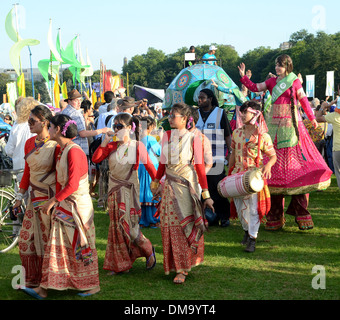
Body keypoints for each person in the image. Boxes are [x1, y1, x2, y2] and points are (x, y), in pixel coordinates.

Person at [238, 54, 332, 231]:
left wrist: (311, 118)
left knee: (296, 171)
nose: (277, 68)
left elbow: (303, 101)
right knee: (272, 173)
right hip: (273, 130)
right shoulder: (272, 82)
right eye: (276, 65)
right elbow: (255, 87)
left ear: (288, 66)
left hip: (291, 131)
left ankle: (301, 213)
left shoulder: (294, 81)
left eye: (280, 65)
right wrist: (244, 77)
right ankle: (274, 216)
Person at [21, 114, 100, 299]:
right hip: (65, 204)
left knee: (82, 246)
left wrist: (52, 201)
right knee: (58, 248)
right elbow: (61, 182)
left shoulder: (73, 151)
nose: (48, 130)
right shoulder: (63, 150)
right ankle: (46, 287)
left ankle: (93, 285)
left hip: (77, 206)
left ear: (57, 129)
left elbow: (72, 185)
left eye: (51, 127)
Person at [151, 103, 214, 284]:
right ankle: (173, 264)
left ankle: (183, 269)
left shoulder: (194, 138)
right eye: (170, 115)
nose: (170, 118)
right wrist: (156, 182)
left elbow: (200, 167)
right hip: (169, 186)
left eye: (174, 116)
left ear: (185, 119)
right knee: (168, 226)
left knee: (183, 227)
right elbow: (162, 163)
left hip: (186, 186)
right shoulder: (166, 136)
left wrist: (206, 195)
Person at [92, 113, 157, 274]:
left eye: (119, 126)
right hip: (114, 191)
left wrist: (158, 184)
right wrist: (105, 141)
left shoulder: (137, 145)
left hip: (129, 190)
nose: (116, 129)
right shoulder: (112, 145)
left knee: (130, 228)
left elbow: (149, 166)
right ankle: (120, 264)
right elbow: (96, 158)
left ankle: (148, 249)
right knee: (116, 227)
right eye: (114, 126)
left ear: (129, 128)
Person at [13, 105, 59, 289]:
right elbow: (27, 173)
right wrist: (19, 197)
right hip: (33, 199)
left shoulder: (55, 144)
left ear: (45, 122)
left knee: (49, 242)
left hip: (50, 200)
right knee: (26, 241)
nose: (29, 124)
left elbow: (61, 174)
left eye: (32, 121)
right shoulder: (29, 143)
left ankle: (50, 281)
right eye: (28, 121)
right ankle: (32, 278)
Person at [228, 101, 277, 252]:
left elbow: (273, 156)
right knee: (240, 207)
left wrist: (268, 165)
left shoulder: (263, 135)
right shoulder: (236, 133)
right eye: (241, 112)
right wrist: (228, 173)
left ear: (256, 114)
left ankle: (252, 239)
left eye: (245, 112)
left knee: (254, 209)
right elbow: (232, 155)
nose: (242, 115)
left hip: (255, 176)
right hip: (237, 175)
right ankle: (246, 231)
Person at [196, 88, 232, 227]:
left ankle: (224, 217)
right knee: (204, 188)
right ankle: (210, 217)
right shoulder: (195, 114)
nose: (200, 100)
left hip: (216, 156)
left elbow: (228, 134)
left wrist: (230, 152)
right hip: (199, 158)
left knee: (218, 188)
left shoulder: (220, 113)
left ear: (210, 99)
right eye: (199, 98)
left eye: (203, 97)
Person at [61, 89, 111, 157]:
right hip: (78, 148)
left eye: (80, 100)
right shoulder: (75, 113)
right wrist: (102, 130)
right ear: (69, 101)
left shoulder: (65, 111)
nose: (79, 103)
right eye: (76, 100)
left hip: (68, 147)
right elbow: (82, 133)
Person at [5, 97, 39, 183]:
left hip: (19, 166)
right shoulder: (37, 126)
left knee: (20, 193)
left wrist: (17, 154)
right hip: (34, 166)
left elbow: (8, 150)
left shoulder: (16, 126)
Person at [139, 116, 161, 228]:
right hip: (151, 167)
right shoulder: (151, 139)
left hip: (141, 167)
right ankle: (153, 219)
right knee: (151, 191)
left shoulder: (139, 139)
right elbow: (159, 151)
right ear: (151, 127)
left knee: (142, 192)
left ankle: (143, 220)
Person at [316, 97, 340, 189]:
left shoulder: (334, 116)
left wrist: (323, 107)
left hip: (337, 148)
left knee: (338, 173)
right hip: (336, 148)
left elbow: (317, 118)